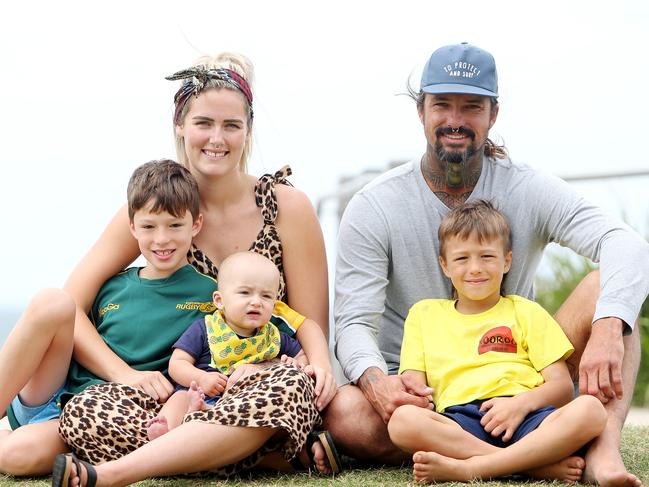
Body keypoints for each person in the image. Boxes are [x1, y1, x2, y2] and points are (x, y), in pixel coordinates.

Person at [328, 42, 649, 487]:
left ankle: (604, 450)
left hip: (520, 380)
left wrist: (610, 326)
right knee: (347, 415)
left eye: (471, 107)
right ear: (421, 111)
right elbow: (351, 321)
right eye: (442, 104)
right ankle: (531, 460)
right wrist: (378, 382)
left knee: (608, 290)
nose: (455, 120)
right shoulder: (374, 205)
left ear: (492, 114)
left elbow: (626, 244)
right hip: (423, 395)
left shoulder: (527, 187)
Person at [51, 52, 336, 483]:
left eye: (231, 125)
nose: (216, 138)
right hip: (178, 392)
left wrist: (267, 370)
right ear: (180, 126)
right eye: (203, 122)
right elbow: (69, 305)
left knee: (289, 389)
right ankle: (262, 455)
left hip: (260, 385)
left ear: (248, 131)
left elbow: (311, 329)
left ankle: (111, 475)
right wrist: (125, 375)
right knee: (85, 414)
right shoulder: (157, 207)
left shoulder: (287, 207)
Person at [0, 159, 214, 475]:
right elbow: (70, 333)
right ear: (132, 227)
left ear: (195, 224)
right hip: (57, 390)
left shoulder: (210, 295)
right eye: (149, 227)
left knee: (15, 456)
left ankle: (8, 432)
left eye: (174, 225)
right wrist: (124, 373)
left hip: (99, 417)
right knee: (53, 301)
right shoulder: (113, 285)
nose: (161, 239)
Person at [387, 200, 611, 484]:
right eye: (461, 258)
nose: (475, 268)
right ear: (444, 265)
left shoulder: (526, 311)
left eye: (487, 257)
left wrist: (520, 405)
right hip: (460, 422)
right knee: (402, 420)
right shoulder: (423, 314)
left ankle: (472, 468)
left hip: (528, 417)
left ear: (507, 261)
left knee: (590, 410)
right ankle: (528, 466)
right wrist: (414, 396)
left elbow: (563, 387)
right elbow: (416, 388)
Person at [146, 251, 308, 440]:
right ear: (219, 300)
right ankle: (165, 428)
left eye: (266, 296)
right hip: (199, 393)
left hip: (240, 405)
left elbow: (302, 357)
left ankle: (205, 415)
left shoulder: (274, 337)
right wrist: (201, 378)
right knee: (179, 398)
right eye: (245, 293)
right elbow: (176, 364)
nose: (256, 302)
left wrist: (291, 363)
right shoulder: (205, 328)